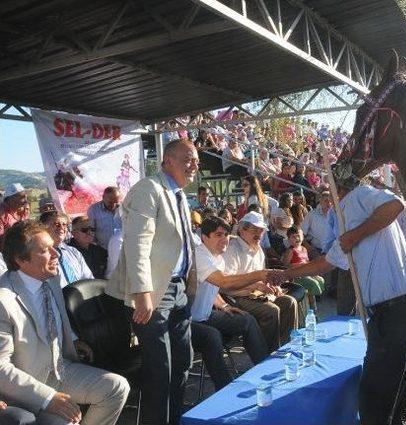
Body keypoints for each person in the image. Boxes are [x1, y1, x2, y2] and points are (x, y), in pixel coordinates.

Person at [276, 175, 406, 425]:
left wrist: (356, 235)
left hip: (398, 307)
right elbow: (326, 262)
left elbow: (396, 204)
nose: (326, 196)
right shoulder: (345, 215)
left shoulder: (359, 195)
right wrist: (285, 274)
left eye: (328, 188)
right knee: (391, 394)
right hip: (394, 309)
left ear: (339, 187)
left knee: (375, 397)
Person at [0, 220, 130, 424]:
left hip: (60, 369)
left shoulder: (50, 279)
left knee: (116, 388)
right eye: (45, 250)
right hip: (24, 388)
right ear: (20, 260)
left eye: (54, 246)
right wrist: (48, 398)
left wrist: (75, 339)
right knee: (65, 421)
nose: (56, 254)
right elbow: (1, 369)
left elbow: (54, 318)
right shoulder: (3, 300)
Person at [107, 139, 199, 425]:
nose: (194, 164)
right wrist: (143, 293)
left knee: (182, 362)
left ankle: (174, 419)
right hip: (154, 293)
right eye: (187, 159)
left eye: (196, 159)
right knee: (160, 370)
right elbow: (137, 244)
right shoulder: (149, 189)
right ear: (167, 161)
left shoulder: (179, 195)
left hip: (178, 289)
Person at [190, 217, 270, 390]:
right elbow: (224, 282)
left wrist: (224, 306)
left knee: (246, 319)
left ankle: (267, 370)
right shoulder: (200, 255)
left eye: (226, 234)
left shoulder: (217, 256)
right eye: (218, 234)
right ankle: (225, 389)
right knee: (212, 336)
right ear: (204, 236)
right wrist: (260, 275)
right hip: (189, 321)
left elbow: (212, 289)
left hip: (206, 315)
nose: (224, 239)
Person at [221, 211, 298, 352]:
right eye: (255, 230)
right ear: (242, 230)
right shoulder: (232, 249)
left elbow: (263, 278)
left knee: (289, 302)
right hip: (235, 297)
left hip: (256, 295)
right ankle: (266, 355)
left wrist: (272, 286)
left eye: (261, 231)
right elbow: (227, 284)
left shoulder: (259, 250)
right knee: (271, 311)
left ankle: (286, 348)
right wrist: (258, 286)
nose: (259, 234)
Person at [40, 211, 93, 288]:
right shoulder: (39, 255)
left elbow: (89, 280)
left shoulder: (74, 252)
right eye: (56, 224)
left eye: (64, 225)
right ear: (43, 227)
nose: (62, 228)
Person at [282, 226, 324, 310]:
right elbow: (286, 265)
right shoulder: (291, 251)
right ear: (289, 239)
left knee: (320, 279)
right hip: (296, 276)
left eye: (299, 236)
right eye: (293, 237)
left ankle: (313, 300)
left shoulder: (304, 249)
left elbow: (307, 262)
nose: (297, 238)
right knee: (312, 283)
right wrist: (298, 265)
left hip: (306, 273)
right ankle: (312, 307)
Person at [301, 191, 332, 257]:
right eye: (326, 201)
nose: (329, 203)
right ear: (320, 202)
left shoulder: (337, 216)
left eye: (331, 201)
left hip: (332, 252)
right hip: (315, 250)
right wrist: (309, 247)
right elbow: (301, 233)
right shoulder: (312, 214)